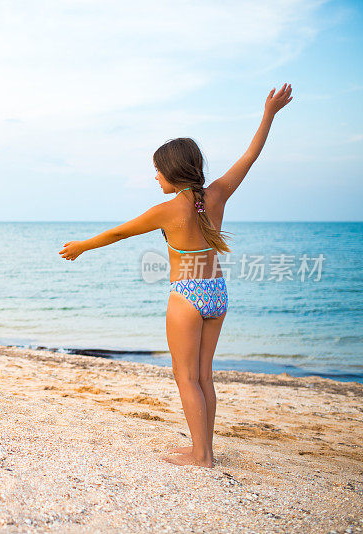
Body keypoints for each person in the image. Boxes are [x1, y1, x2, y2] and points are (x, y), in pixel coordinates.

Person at [59, 84, 293, 467]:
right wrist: (268, 113)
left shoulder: (167, 209)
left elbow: (118, 232)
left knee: (185, 377)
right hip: (217, 292)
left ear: (171, 171)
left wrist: (83, 245)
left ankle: (201, 456)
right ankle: (205, 450)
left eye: (156, 170)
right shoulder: (216, 194)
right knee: (204, 376)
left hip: (186, 295)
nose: (155, 177)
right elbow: (250, 156)